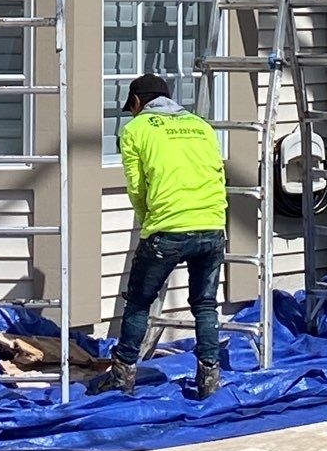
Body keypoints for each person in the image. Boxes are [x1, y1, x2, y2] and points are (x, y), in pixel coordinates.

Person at [93, 74, 228, 400]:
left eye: (131, 107)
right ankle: (209, 379)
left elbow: (137, 188)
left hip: (167, 228)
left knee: (139, 302)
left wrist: (149, 222)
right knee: (205, 304)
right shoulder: (202, 126)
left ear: (137, 102)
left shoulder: (136, 130)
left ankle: (122, 376)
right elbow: (217, 174)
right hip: (212, 224)